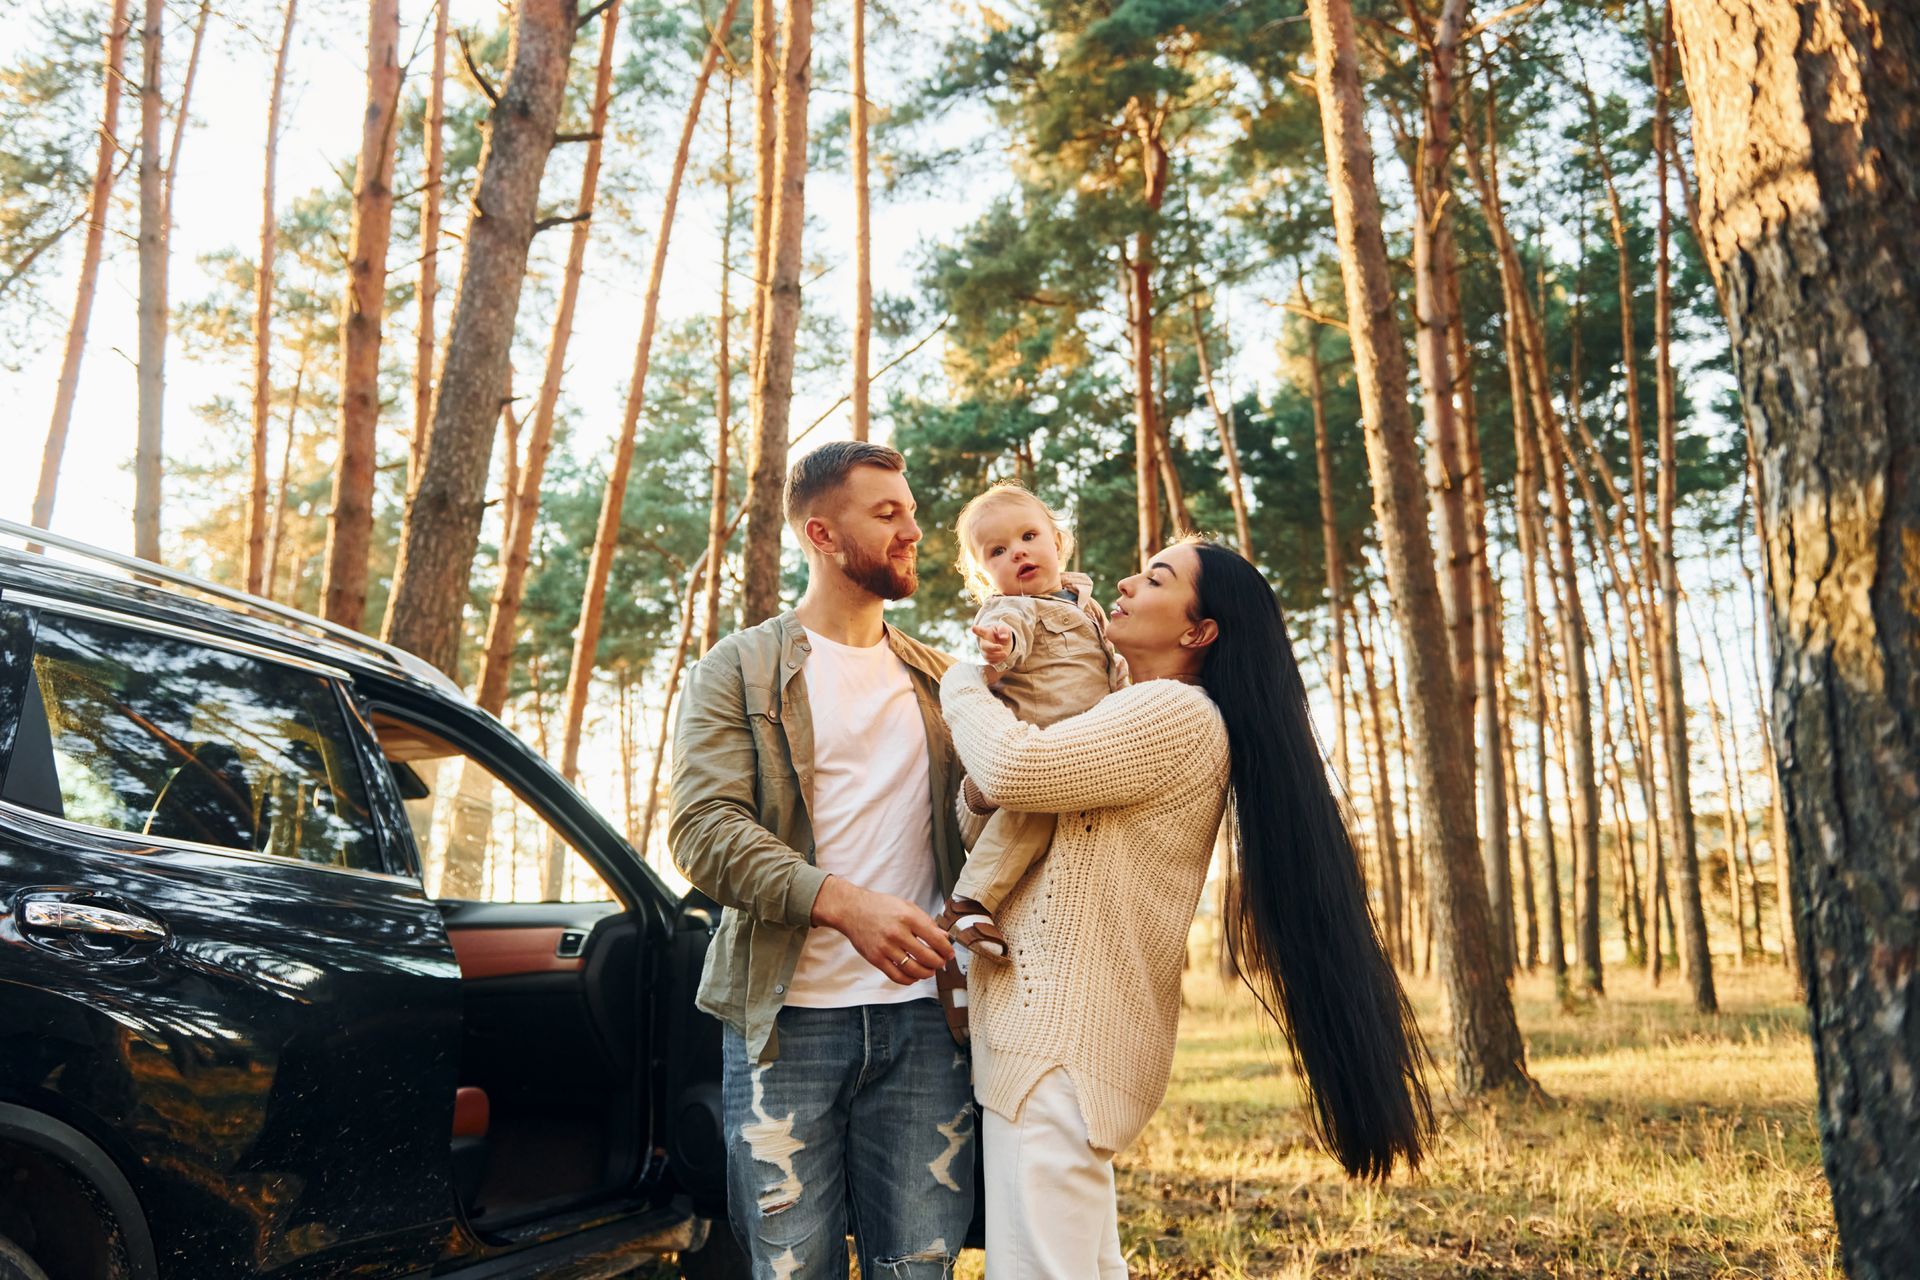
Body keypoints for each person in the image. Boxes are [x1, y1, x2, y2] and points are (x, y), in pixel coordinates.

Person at [941, 539, 1432, 1277]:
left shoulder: (1174, 711)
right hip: (1060, 1041)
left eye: (1156, 578)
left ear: (1198, 632)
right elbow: (1006, 810)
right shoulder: (1129, 709)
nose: (1127, 580)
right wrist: (986, 785)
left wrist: (960, 684)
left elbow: (1018, 765)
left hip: (1057, 1043)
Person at [669, 441, 975, 1279]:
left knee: (918, 1268)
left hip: (925, 1021)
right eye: (887, 514)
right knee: (791, 1270)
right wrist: (842, 902)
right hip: (785, 1022)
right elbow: (703, 827)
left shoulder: (946, 683)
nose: (914, 529)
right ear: (821, 533)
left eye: (911, 510)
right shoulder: (736, 669)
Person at [935, 482, 1119, 966]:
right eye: (997, 551)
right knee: (1032, 812)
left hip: (1083, 742)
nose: (1017, 552)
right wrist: (998, 643)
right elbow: (1009, 635)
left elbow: (1109, 660)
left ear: (1057, 542)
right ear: (985, 575)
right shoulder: (1013, 606)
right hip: (1039, 743)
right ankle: (970, 901)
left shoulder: (1085, 603)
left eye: (1028, 537)